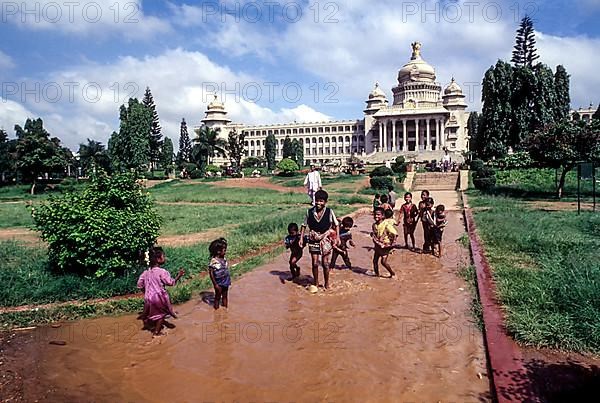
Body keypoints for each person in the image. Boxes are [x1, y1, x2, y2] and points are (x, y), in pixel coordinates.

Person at [137, 247, 185, 336]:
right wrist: (179, 275)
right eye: (163, 256)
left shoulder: (145, 273)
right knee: (161, 315)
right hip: (159, 297)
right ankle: (156, 333)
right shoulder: (162, 272)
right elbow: (171, 283)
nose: (165, 258)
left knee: (151, 312)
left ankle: (149, 324)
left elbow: (139, 285)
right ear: (158, 259)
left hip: (148, 298)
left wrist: (146, 292)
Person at [299, 189, 339, 289]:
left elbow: (336, 225)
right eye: (317, 200)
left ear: (325, 202)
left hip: (326, 238)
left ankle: (326, 284)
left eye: (321, 201)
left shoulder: (329, 212)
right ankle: (316, 283)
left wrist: (337, 237)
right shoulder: (309, 212)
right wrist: (301, 238)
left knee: (325, 263)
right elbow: (304, 225)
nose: (318, 203)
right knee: (315, 263)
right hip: (313, 238)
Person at [371, 207, 397, 278]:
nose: (376, 216)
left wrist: (392, 244)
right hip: (377, 245)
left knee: (383, 262)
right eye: (375, 214)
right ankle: (377, 275)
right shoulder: (374, 225)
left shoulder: (386, 224)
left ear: (383, 216)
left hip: (385, 246)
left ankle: (393, 274)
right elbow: (374, 235)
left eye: (378, 215)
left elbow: (395, 233)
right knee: (375, 261)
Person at [208, 238, 231, 310]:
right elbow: (211, 273)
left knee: (225, 296)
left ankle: (225, 309)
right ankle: (216, 309)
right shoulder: (214, 261)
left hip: (226, 280)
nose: (225, 252)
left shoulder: (223, 258)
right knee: (217, 297)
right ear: (218, 251)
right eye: (224, 250)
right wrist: (215, 284)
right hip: (219, 282)